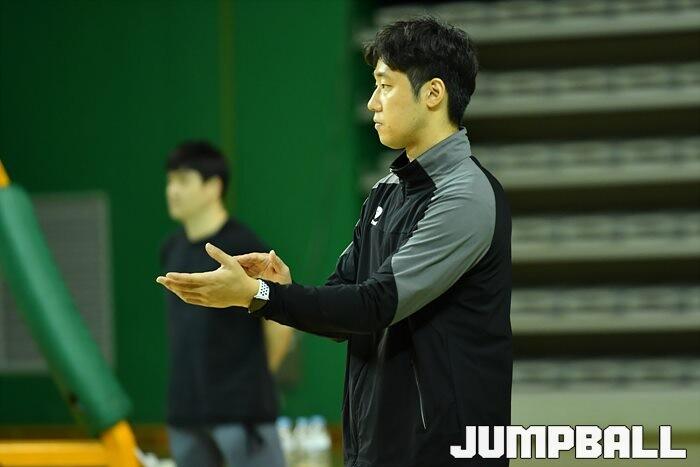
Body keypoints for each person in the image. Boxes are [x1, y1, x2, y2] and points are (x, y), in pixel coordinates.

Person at [158, 18, 512, 466]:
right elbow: (343, 307)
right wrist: (281, 288)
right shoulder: (386, 191)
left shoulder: (466, 196)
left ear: (433, 94)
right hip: (376, 449)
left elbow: (376, 304)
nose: (372, 102)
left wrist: (259, 296)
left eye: (385, 86)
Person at [160, 141, 292, 467]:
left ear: (213, 187)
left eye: (183, 180)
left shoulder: (244, 246)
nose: (172, 190)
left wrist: (253, 383)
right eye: (170, 181)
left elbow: (280, 324)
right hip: (186, 414)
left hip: (241, 413)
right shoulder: (171, 249)